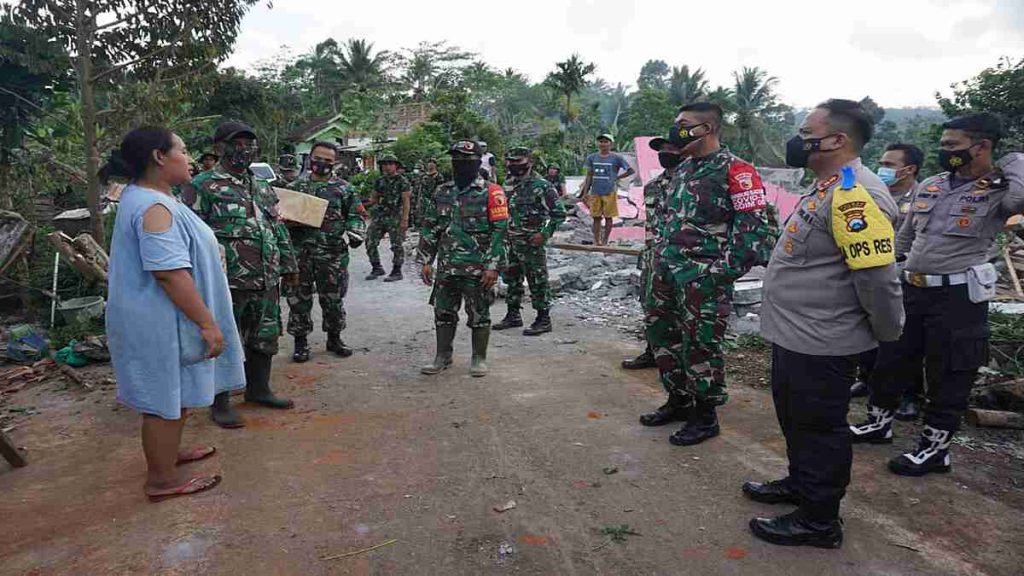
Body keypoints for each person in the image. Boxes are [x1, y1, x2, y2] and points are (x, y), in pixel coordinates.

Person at [746, 99, 904, 548]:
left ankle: (819, 521)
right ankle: (801, 486)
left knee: (819, 428)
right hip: (798, 334)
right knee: (796, 421)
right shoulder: (829, 185)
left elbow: (877, 278)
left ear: (836, 140)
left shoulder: (857, 195)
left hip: (824, 340)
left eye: (805, 131)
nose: (797, 140)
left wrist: (887, 336)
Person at [851, 114, 1024, 476]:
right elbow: (907, 236)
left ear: (981, 146)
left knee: (948, 373)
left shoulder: (999, 190)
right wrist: (890, 268)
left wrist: (1013, 160)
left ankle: (935, 449)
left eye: (951, 145)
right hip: (912, 289)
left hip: (958, 297)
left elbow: (1021, 198)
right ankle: (878, 423)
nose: (943, 151)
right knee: (891, 359)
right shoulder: (932, 185)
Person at [104, 126, 244, 501]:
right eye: (182, 150)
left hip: (164, 319)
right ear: (159, 157)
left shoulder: (154, 197)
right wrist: (207, 323)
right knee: (163, 399)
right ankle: (161, 480)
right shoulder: (154, 207)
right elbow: (168, 272)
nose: (190, 157)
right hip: (160, 321)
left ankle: (169, 455)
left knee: (174, 393)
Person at [640, 103, 774, 448]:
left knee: (700, 345)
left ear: (708, 129)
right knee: (663, 337)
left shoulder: (738, 171)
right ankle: (678, 400)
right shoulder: (683, 169)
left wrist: (717, 274)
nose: (676, 131)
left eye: (683, 125)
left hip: (702, 278)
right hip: (665, 273)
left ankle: (705, 415)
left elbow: (755, 235)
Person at [192, 121, 298, 429]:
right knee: (226, 339)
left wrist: (289, 265)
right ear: (219, 148)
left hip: (266, 276)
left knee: (264, 336)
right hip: (228, 280)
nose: (244, 149)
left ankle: (259, 389)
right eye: (236, 143)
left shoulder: (262, 186)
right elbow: (193, 234)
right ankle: (220, 402)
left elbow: (276, 226)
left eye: (249, 144)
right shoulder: (202, 185)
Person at [417, 140, 508, 377]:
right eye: (456, 159)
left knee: (479, 315)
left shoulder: (492, 192)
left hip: (478, 269)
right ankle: (442, 356)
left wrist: (493, 267)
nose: (460, 164)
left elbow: (500, 231)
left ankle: (478, 358)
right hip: (447, 268)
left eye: (467, 160)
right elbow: (430, 227)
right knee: (443, 313)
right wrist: (426, 260)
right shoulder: (442, 191)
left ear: (478, 162)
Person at [852, 144, 927, 418]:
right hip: (872, 269)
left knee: (904, 339)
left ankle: (910, 395)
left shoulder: (922, 196)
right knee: (866, 329)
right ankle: (867, 377)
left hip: (905, 272)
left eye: (889, 164)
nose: (882, 168)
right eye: (881, 162)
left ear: (909, 169)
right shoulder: (874, 192)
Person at [285, 141, 367, 362]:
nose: (321, 164)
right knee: (298, 299)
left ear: (335, 163)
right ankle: (300, 342)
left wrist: (356, 232)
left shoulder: (344, 189)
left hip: (332, 254)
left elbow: (357, 215)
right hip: (300, 253)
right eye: (318, 159)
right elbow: (279, 219)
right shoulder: (294, 188)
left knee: (333, 298)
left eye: (327, 161)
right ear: (310, 158)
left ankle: (334, 338)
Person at [622, 135, 683, 370]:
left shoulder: (693, 183)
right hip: (653, 256)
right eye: (662, 149)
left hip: (683, 260)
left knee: (681, 310)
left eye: (670, 148)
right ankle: (654, 351)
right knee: (651, 306)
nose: (665, 152)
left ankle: (683, 360)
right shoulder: (653, 186)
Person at [492, 147, 567, 336]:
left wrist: (544, 234)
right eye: (511, 161)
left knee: (538, 281)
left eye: (518, 161)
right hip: (511, 241)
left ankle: (543, 319)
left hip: (532, 243)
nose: (514, 165)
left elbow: (559, 214)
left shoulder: (542, 186)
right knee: (512, 279)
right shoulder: (507, 185)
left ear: (529, 162)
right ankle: (513, 314)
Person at [364, 153, 411, 282]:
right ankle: (376, 267)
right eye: (385, 164)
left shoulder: (402, 181)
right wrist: (361, 205)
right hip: (381, 216)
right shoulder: (380, 181)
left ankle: (397, 271)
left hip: (396, 216)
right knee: (370, 241)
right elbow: (373, 199)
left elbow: (406, 201)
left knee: (397, 245)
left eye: (390, 164)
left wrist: (405, 220)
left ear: (396, 166)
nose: (387, 167)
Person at [580, 134, 634, 246]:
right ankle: (596, 240)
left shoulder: (616, 158)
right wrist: (585, 192)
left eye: (606, 142)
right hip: (595, 191)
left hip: (610, 191)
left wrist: (617, 177)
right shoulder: (592, 157)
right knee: (596, 217)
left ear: (611, 144)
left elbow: (630, 170)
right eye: (601, 142)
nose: (603, 144)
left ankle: (605, 241)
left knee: (609, 217)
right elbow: (589, 175)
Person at [414, 158, 445, 227]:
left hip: (434, 201)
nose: (431, 164)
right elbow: (420, 189)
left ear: (435, 165)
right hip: (423, 200)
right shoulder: (424, 176)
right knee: (422, 218)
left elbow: (441, 189)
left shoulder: (439, 176)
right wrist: (418, 201)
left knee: (433, 219)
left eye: (433, 162)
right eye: (429, 162)